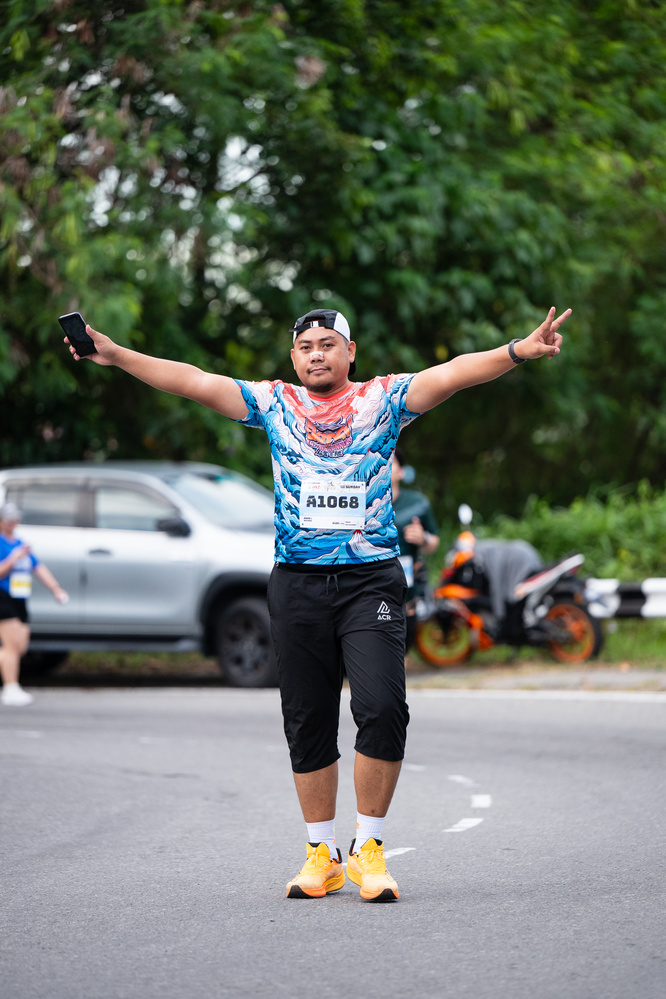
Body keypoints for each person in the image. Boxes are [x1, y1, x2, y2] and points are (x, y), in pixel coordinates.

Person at [65, 303, 569, 901]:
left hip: (370, 582)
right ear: (293, 357)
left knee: (382, 707)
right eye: (305, 347)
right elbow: (193, 381)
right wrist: (116, 354)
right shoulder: (273, 403)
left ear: (350, 352)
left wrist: (517, 351)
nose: (316, 354)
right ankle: (320, 854)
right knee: (307, 719)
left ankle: (369, 848)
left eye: (328, 344)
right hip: (298, 584)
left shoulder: (383, 400)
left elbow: (453, 373)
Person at [0, 502, 69, 706]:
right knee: (11, 645)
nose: (12, 523)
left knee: (20, 646)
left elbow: (38, 567)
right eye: (8, 519)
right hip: (3, 596)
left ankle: (11, 684)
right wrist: (14, 558)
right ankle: (10, 687)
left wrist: (56, 589)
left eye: (15, 519)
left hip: (20, 597)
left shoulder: (21, 543)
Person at [390, 447, 440, 649]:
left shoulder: (417, 504)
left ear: (401, 472)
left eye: (391, 461)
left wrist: (423, 538)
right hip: (369, 579)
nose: (385, 463)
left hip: (407, 585)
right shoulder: (360, 502)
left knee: (404, 642)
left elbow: (434, 543)